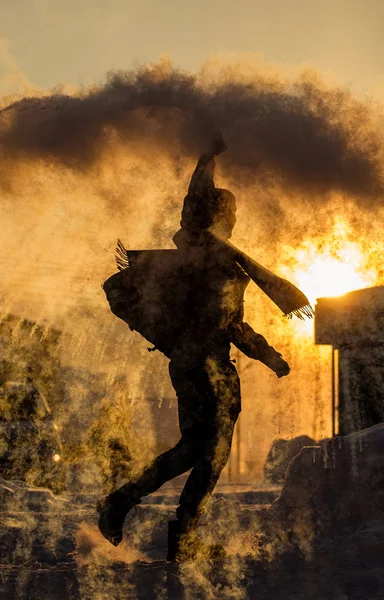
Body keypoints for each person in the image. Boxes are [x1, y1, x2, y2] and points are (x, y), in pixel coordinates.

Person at [97, 138, 290, 561]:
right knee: (208, 452)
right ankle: (148, 516)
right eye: (231, 213)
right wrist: (206, 158)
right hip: (206, 367)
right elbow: (231, 323)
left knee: (199, 451)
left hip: (200, 364)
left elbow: (231, 323)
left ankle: (149, 518)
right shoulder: (210, 262)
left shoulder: (208, 262)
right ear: (219, 216)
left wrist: (266, 354)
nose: (234, 221)